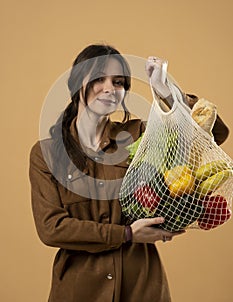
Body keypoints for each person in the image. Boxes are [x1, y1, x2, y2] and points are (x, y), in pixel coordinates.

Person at [29, 44, 229, 302]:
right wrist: (127, 234)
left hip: (143, 288)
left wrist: (166, 92)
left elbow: (214, 134)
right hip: (79, 291)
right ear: (77, 83)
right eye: (99, 79)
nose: (110, 88)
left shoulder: (140, 136)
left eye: (119, 82)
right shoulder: (46, 154)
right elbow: (51, 228)